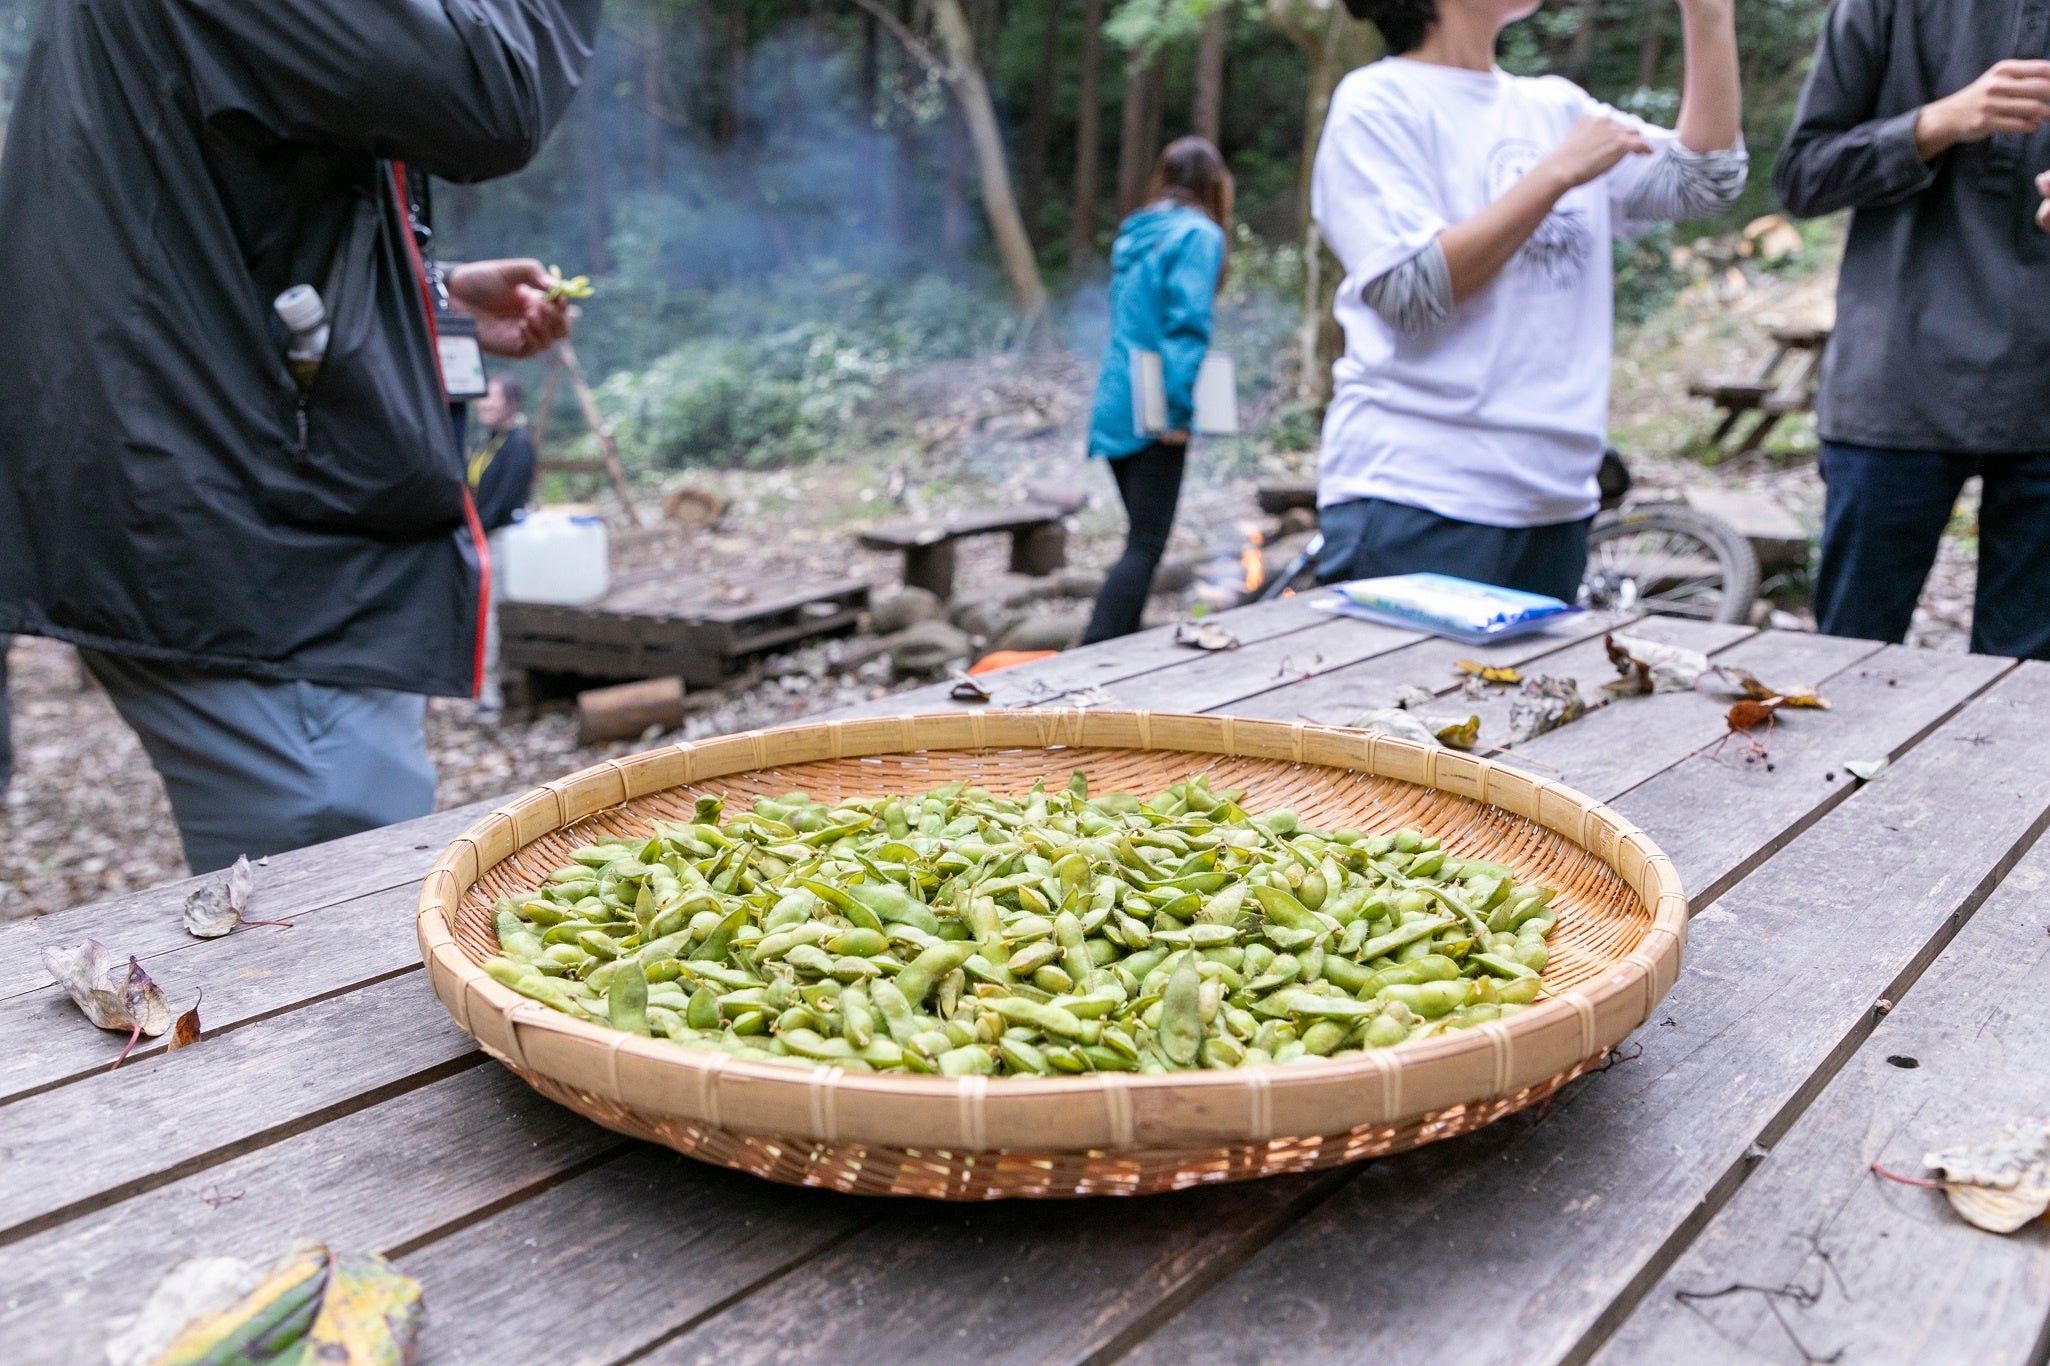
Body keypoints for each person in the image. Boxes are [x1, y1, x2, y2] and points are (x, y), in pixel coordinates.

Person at [0, 0, 598, 873]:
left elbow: (202, 208)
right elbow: (489, 94)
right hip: (245, 524)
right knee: (328, 890)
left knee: (324, 872)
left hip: (211, 483)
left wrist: (423, 298)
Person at [1311, 0, 1745, 599]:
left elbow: (1704, 180)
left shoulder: (1556, 107)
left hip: (1555, 502)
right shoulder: (1378, 101)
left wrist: (1709, 16)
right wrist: (1556, 173)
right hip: (1416, 496)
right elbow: (1411, 290)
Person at [1777, 8, 2050, 661]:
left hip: (2043, 396)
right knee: (1849, 669)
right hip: (1898, 381)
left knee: (2027, 697)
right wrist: (1936, 122)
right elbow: (1802, 176)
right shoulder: (1882, 7)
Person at [1082, 138, 1233, 645]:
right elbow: (1184, 328)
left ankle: (1112, 653)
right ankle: (1090, 653)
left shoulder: (1136, 230)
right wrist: (1177, 411)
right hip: (1153, 406)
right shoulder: (1198, 235)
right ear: (1213, 183)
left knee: (1139, 542)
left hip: (1114, 400)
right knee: (1145, 544)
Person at [469, 374, 539, 721]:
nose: (484, 403)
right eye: (482, 397)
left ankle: (492, 699)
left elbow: (504, 501)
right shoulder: (489, 442)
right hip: (480, 539)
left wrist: (474, 530)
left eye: (492, 398)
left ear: (511, 404)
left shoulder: (518, 445)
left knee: (493, 617)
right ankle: (484, 690)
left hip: (501, 542)